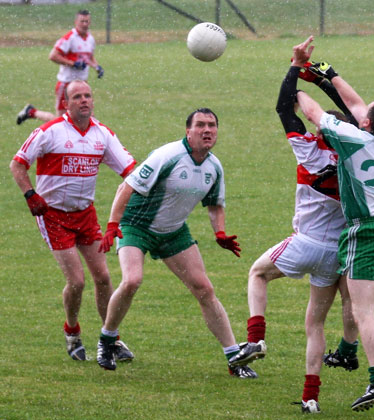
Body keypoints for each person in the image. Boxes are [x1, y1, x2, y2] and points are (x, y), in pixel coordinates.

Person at [228, 54, 359, 414]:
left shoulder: (310, 151)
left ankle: (255, 339)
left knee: (257, 273)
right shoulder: (358, 159)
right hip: (336, 254)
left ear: (324, 130)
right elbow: (353, 113)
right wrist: (325, 83)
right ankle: (310, 397)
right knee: (315, 325)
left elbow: (283, 108)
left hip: (304, 244)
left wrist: (296, 69)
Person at [95, 108, 258, 378]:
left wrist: (220, 233)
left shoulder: (214, 167)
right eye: (201, 125)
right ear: (188, 131)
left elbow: (215, 204)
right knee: (132, 280)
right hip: (137, 226)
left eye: (212, 125)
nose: (207, 130)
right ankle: (107, 340)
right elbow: (127, 187)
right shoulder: (168, 156)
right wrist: (113, 224)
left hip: (173, 232)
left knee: (204, 289)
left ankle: (234, 358)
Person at [293, 36, 374, 412]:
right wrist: (326, 73)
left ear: (367, 123)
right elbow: (356, 105)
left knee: (363, 310)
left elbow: (312, 113)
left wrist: (294, 79)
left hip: (367, 231)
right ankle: (348, 352)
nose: (360, 110)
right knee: (360, 303)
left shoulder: (352, 140)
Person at [10, 80, 136, 363]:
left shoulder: (102, 135)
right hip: (53, 216)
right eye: (76, 96)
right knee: (77, 281)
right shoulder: (49, 132)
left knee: (103, 278)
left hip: (85, 215)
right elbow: (17, 164)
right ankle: (72, 331)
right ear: (65, 103)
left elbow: (131, 171)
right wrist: (30, 194)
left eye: (87, 95)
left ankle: (110, 337)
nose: (83, 100)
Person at [16, 9, 104, 125]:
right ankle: (32, 112)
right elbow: (53, 56)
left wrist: (97, 67)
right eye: (82, 21)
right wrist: (73, 64)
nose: (85, 24)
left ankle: (90, 142)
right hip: (66, 84)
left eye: (87, 21)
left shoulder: (90, 39)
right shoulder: (69, 38)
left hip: (82, 83)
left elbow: (89, 57)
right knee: (62, 121)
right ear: (75, 22)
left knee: (87, 117)